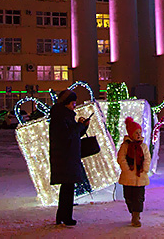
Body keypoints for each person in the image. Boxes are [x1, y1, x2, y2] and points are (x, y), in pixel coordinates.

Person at [48, 89, 90, 226]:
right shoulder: (61, 117)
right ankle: (65, 217)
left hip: (68, 157)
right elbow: (66, 136)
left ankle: (63, 216)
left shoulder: (64, 116)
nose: (75, 105)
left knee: (67, 188)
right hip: (65, 157)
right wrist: (79, 126)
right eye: (73, 102)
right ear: (66, 103)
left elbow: (74, 135)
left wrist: (83, 127)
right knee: (67, 188)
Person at [117, 117, 150, 227]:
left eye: (140, 132)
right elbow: (121, 158)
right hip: (128, 177)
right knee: (129, 197)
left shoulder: (143, 146)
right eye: (136, 132)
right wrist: (126, 169)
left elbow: (147, 158)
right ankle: (132, 211)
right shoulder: (126, 146)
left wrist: (145, 169)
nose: (139, 135)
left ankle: (136, 215)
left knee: (139, 197)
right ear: (131, 134)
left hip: (140, 177)